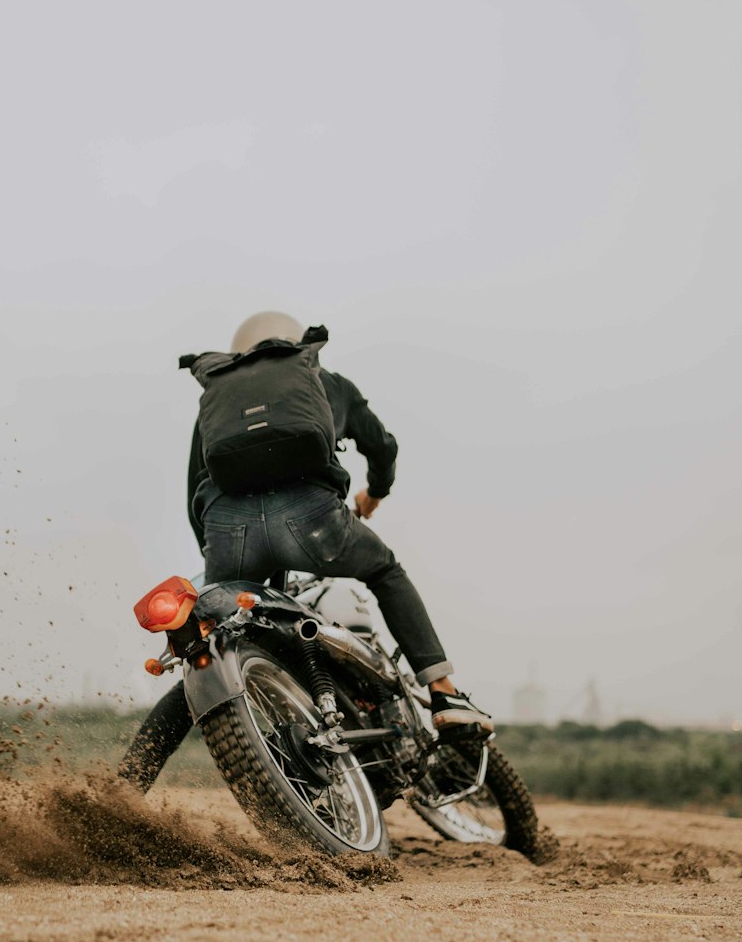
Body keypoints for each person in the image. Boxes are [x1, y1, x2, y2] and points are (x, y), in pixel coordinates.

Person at [119, 311, 492, 790]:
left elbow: (198, 489)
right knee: (384, 572)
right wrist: (374, 494)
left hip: (230, 534)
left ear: (237, 355)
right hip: (314, 523)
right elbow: (382, 448)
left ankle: (128, 783)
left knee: (206, 648)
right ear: (295, 347)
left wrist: (221, 564)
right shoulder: (325, 380)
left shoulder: (216, 398)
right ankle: (444, 696)